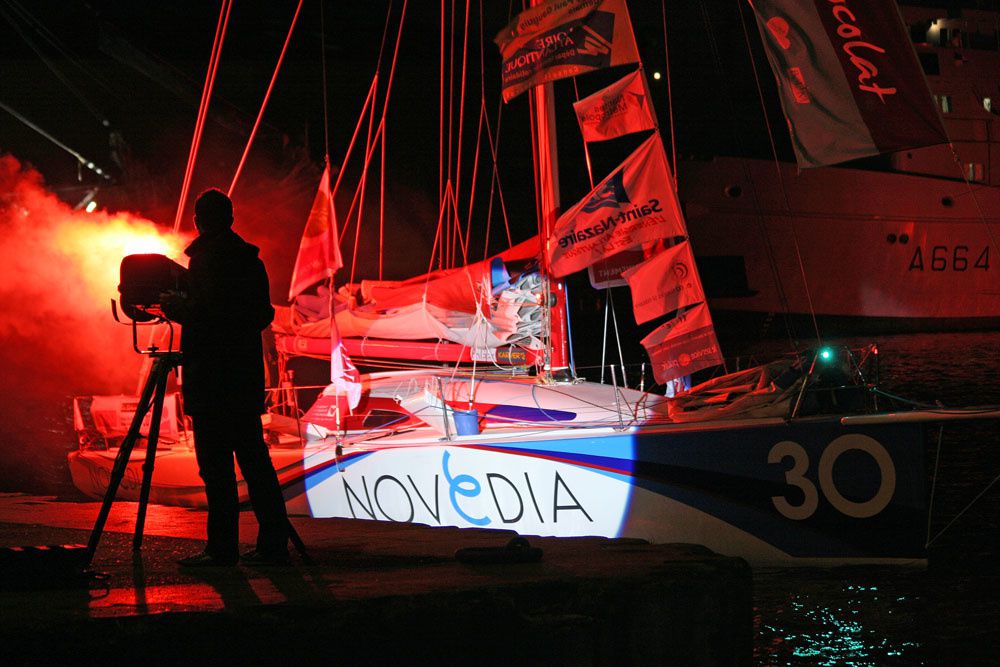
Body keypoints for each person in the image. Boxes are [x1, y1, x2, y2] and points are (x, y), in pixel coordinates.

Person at [162, 188, 290, 566]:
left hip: (211, 380)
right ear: (230, 218)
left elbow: (205, 314)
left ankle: (221, 549)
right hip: (244, 378)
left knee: (215, 467)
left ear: (199, 221)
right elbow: (262, 314)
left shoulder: (205, 261)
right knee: (255, 463)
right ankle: (273, 545)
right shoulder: (251, 261)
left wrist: (175, 307)